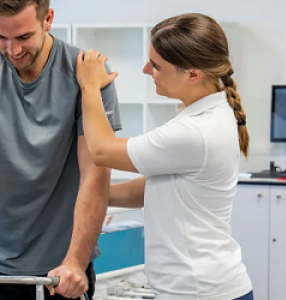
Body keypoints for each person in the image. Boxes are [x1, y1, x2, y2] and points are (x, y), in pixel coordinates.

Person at [0, 0, 122, 299]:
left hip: (63, 268)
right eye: (1, 37)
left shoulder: (86, 72)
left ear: (48, 19)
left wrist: (76, 262)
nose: (13, 50)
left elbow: (95, 172)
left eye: (23, 37)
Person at [75, 13, 254, 300]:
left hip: (198, 292)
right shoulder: (211, 114)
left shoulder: (196, 131)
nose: (146, 69)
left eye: (156, 65)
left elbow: (101, 151)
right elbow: (157, 188)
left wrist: (90, 86)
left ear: (193, 74)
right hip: (209, 287)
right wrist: (90, 197)